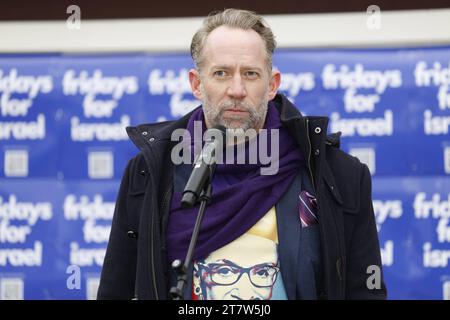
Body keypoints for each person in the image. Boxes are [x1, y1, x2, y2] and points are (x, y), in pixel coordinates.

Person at [97, 8, 387, 300]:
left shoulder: (335, 174)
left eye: (250, 74)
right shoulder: (150, 172)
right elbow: (116, 288)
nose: (236, 90)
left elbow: (365, 292)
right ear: (197, 84)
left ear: (272, 84)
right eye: (221, 73)